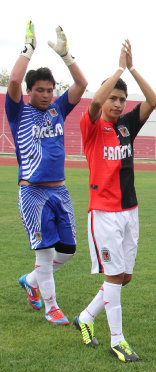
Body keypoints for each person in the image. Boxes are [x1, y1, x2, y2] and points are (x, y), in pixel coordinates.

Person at [73, 40, 156, 363]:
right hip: (105, 214)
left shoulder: (126, 126)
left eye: (122, 99)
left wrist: (133, 69)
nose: (119, 103)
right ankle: (118, 341)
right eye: (114, 97)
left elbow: (153, 100)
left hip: (130, 211)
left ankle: (85, 316)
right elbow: (94, 102)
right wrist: (119, 68)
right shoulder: (92, 126)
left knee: (124, 277)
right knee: (113, 276)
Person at [8, 21, 87, 325]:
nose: (45, 94)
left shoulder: (57, 109)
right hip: (33, 193)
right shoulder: (19, 112)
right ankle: (51, 307)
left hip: (60, 191)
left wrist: (67, 56)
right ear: (29, 91)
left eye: (49, 89)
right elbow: (13, 82)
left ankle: (31, 280)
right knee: (44, 252)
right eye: (39, 90)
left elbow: (81, 85)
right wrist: (28, 50)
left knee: (67, 251)